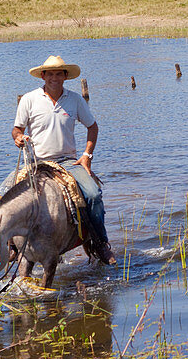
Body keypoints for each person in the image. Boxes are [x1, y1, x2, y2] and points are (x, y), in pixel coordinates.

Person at [12, 54, 115, 264]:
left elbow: (92, 127)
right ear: (43, 76)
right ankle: (11, 246)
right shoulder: (29, 99)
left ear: (65, 77)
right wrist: (19, 138)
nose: (54, 78)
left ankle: (101, 243)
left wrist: (87, 156)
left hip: (67, 162)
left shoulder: (75, 99)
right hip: (36, 162)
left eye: (59, 74)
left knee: (93, 195)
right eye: (50, 74)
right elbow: (16, 129)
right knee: (2, 196)